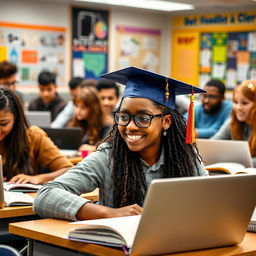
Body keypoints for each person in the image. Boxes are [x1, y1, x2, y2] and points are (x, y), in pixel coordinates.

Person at [34, 67, 208, 221]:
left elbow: (209, 201)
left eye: (143, 118)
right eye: (124, 117)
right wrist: (108, 213)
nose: (130, 126)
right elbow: (46, 195)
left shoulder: (185, 157)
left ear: (166, 121)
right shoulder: (108, 156)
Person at [0, 86, 73, 184]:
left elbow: (69, 170)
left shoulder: (33, 136)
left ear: (16, 118)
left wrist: (40, 178)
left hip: (24, 198)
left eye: (3, 123)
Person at [212, 80, 256, 167]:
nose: (238, 107)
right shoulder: (233, 122)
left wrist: (236, 163)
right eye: (235, 102)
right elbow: (212, 144)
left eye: (244, 103)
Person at [68, 86, 110, 153]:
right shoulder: (78, 122)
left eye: (82, 108)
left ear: (93, 108)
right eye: (76, 106)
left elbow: (108, 148)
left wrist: (93, 148)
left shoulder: (106, 126)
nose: (78, 111)